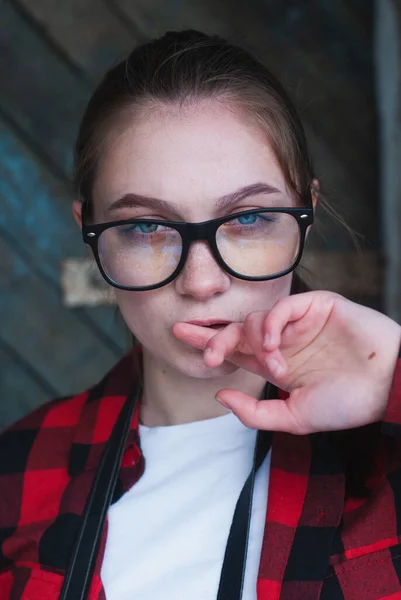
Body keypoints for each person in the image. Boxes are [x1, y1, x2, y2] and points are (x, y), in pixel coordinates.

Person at [0, 29, 400, 600]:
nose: (202, 282)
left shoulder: (387, 447)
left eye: (251, 219)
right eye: (144, 228)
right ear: (90, 235)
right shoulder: (19, 467)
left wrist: (393, 379)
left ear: (305, 212)